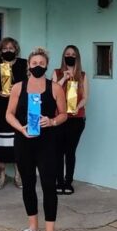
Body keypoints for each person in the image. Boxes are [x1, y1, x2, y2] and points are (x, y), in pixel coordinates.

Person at [5, 47, 67, 231]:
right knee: (28, 184)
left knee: (49, 186)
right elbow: (9, 114)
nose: (38, 66)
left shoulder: (55, 88)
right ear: (28, 66)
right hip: (24, 141)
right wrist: (21, 128)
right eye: (34, 63)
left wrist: (52, 121)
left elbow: (64, 114)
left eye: (41, 63)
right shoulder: (18, 87)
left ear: (46, 65)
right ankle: (33, 227)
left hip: (47, 143)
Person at [0, 37, 28, 189]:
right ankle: (1, 176)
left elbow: (32, 82)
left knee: (18, 142)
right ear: (0, 50)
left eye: (11, 48)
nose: (8, 51)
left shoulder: (24, 64)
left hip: (19, 108)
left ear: (16, 49)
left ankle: (18, 175)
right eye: (5, 48)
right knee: (0, 143)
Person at [52, 45, 88, 194]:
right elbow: (52, 91)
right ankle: (59, 182)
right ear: (63, 56)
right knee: (58, 151)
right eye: (67, 54)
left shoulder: (82, 75)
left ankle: (68, 182)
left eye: (73, 54)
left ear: (77, 57)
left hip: (76, 119)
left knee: (70, 151)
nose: (70, 56)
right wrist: (64, 78)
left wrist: (77, 107)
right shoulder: (57, 72)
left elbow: (85, 97)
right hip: (59, 117)